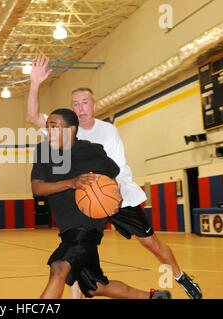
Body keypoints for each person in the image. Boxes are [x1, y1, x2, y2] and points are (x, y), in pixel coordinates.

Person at [26, 54, 202, 299]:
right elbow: (33, 117)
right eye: (75, 104)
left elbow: (115, 170)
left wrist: (108, 196)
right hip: (86, 200)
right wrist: (35, 83)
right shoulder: (62, 127)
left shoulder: (107, 132)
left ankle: (180, 276)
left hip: (116, 194)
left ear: (95, 105)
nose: (80, 108)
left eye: (85, 102)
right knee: (77, 259)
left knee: (151, 243)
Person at [31, 108, 171, 299]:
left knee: (58, 268)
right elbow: (37, 188)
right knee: (95, 286)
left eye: (54, 127)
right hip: (67, 229)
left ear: (71, 130)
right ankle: (153, 297)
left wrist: (116, 197)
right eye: (48, 127)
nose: (50, 131)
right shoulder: (43, 150)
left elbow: (112, 175)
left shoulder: (91, 150)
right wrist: (71, 183)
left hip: (87, 227)